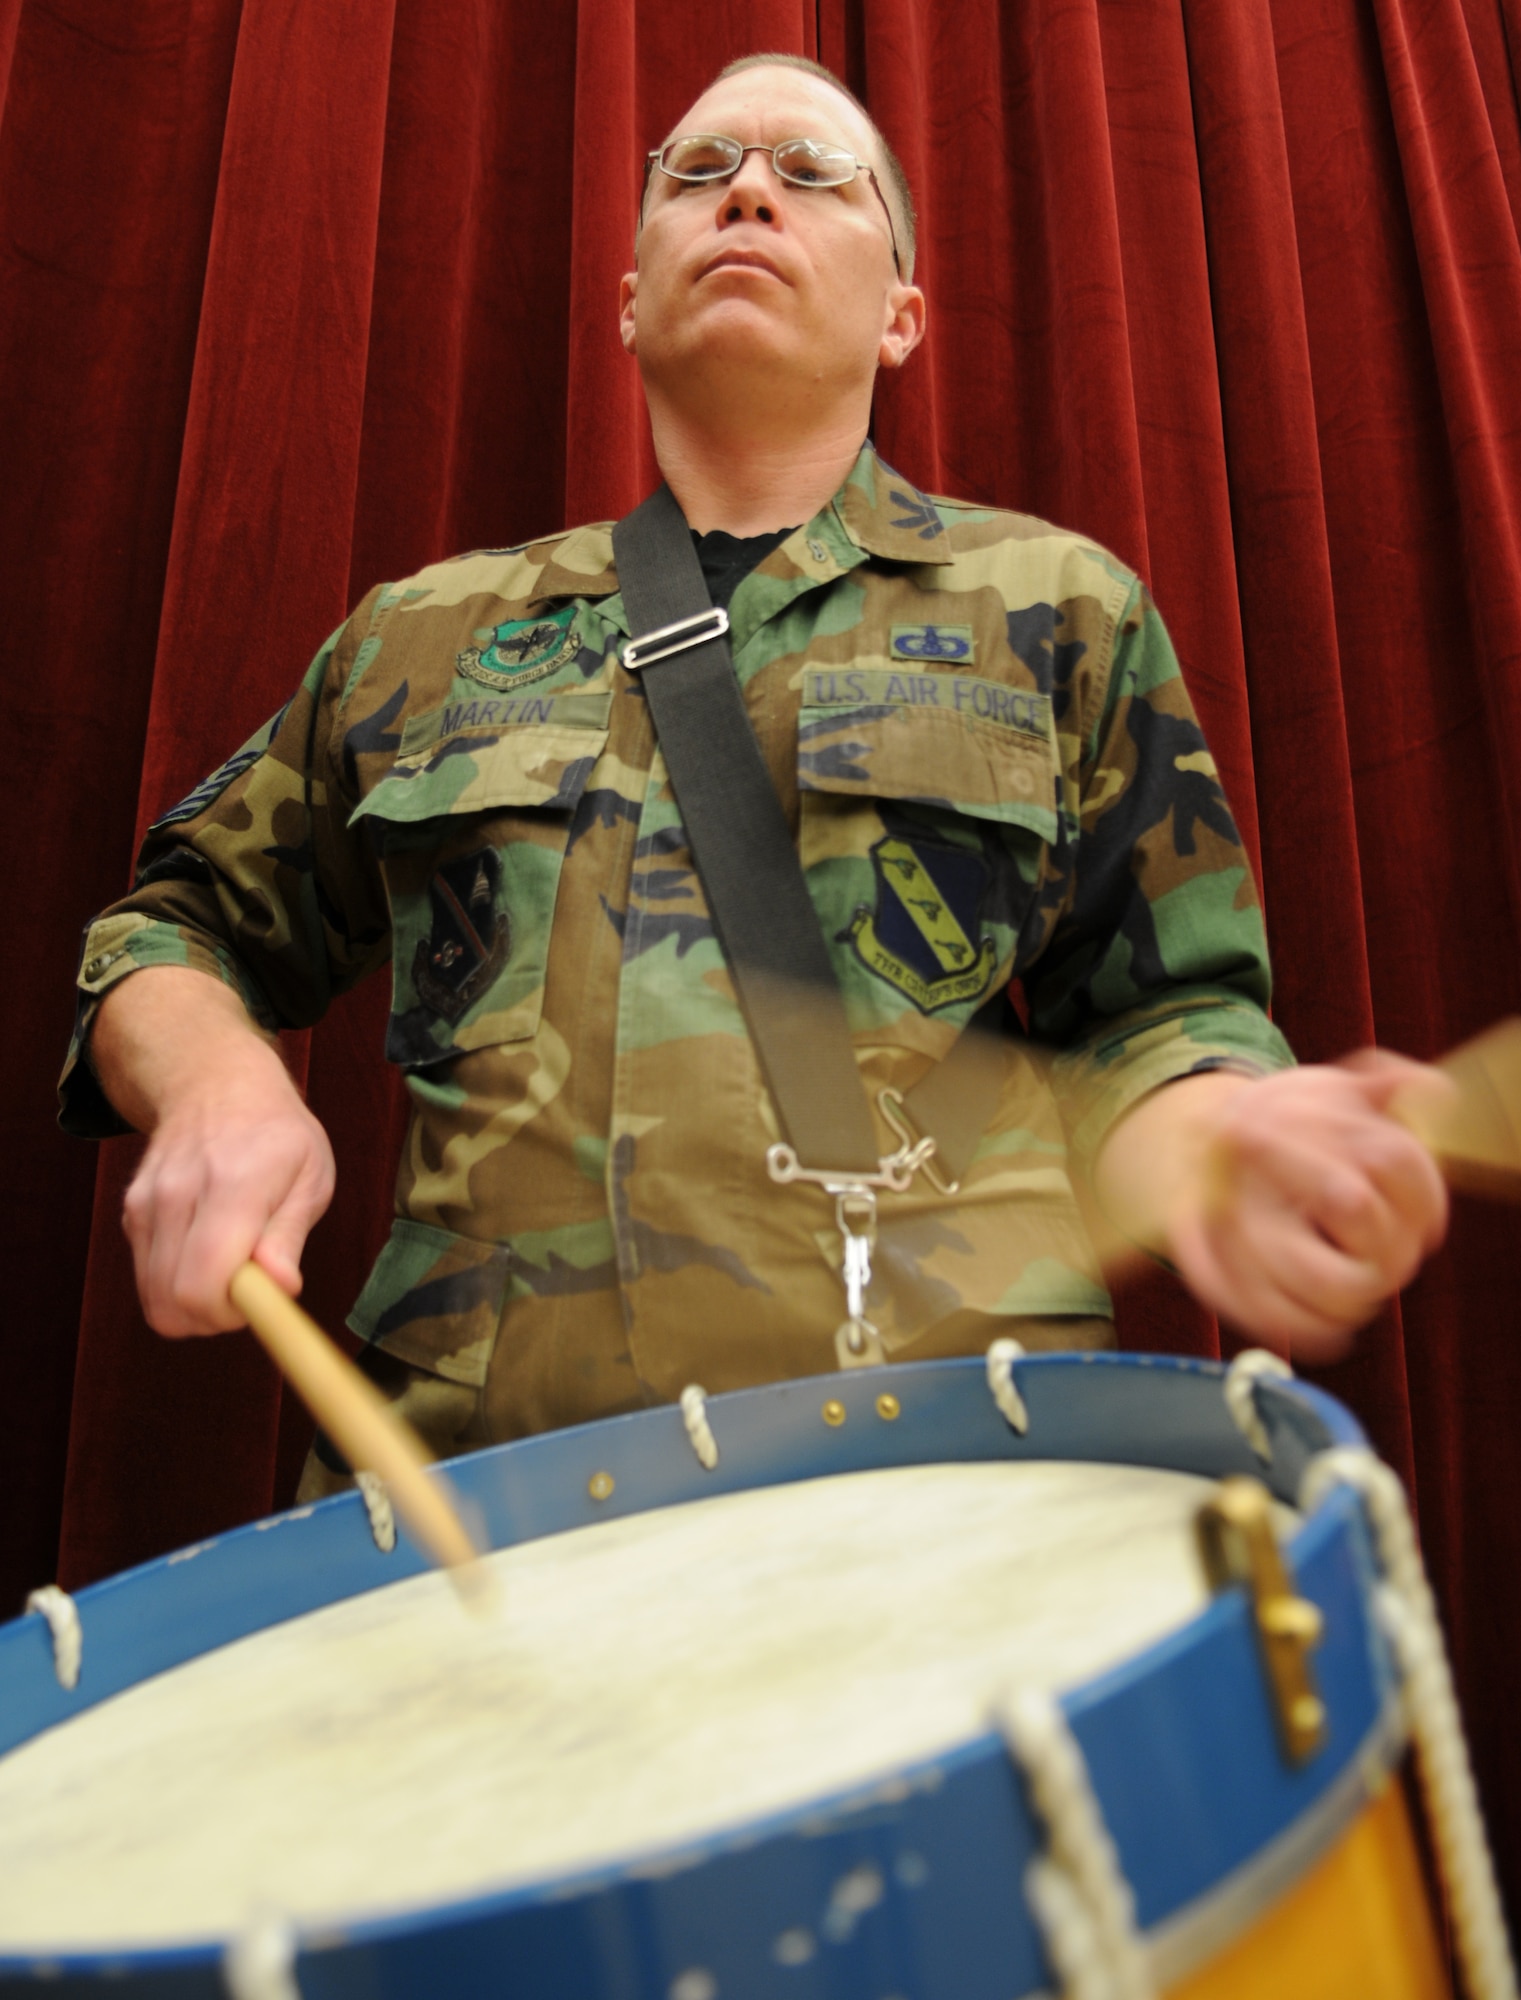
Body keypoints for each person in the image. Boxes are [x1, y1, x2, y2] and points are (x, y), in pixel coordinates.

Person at [60, 54, 1447, 1492]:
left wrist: (1224, 1146)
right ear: (626, 298)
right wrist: (218, 1080)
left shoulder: (1059, 608)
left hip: (935, 1475)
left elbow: (1158, 1017)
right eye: (698, 172)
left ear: (902, 315)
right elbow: (170, 928)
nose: (748, 196)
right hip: (488, 1489)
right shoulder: (426, 636)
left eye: (812, 175)